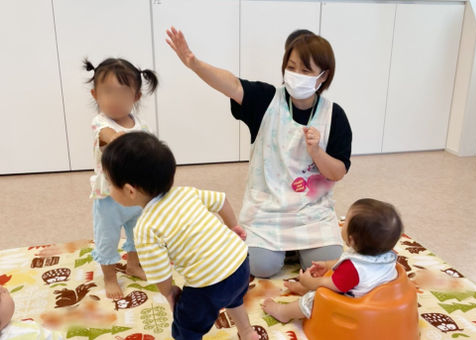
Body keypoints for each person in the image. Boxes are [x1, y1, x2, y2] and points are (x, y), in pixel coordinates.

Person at [165, 27, 352, 278]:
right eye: (292, 67)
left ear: (323, 76)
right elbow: (231, 84)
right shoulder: (266, 100)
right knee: (260, 267)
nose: (296, 75)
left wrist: (316, 151)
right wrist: (194, 63)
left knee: (327, 264)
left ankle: (297, 249)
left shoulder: (333, 115)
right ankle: (283, 250)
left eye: (306, 71)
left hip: (312, 212)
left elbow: (337, 172)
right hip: (268, 210)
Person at [100, 132, 258, 340]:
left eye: (110, 184)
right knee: (233, 298)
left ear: (130, 191)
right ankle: (247, 332)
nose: (108, 189)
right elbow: (222, 201)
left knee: (186, 327)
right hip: (240, 265)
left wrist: (169, 292)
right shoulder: (186, 193)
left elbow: (160, 271)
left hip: (208, 285)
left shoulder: (146, 227)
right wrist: (233, 226)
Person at [84, 57, 158, 299]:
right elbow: (110, 137)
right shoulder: (100, 123)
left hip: (135, 195)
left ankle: (133, 265)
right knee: (107, 237)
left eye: (122, 94)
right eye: (108, 93)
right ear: (95, 94)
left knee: (138, 233)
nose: (114, 100)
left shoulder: (142, 125)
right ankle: (109, 278)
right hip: (109, 197)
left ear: (135, 96)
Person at [262, 198, 403, 323]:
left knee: (314, 299)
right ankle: (302, 289)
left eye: (345, 221)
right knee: (324, 281)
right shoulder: (384, 254)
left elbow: (329, 284)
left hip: (352, 306)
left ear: (351, 239)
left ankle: (283, 312)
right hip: (379, 298)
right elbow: (347, 261)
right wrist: (328, 265)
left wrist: (309, 282)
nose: (342, 222)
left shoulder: (352, 269)